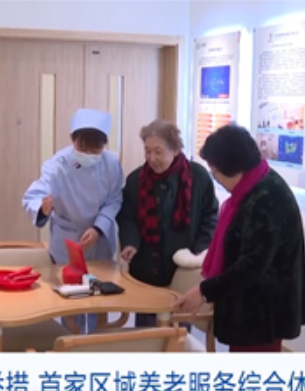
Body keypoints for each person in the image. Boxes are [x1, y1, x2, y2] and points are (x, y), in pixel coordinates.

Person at [174, 124, 305, 352]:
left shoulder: (267, 198)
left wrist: (205, 291)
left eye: (215, 171)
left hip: (264, 312)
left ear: (233, 167)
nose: (215, 178)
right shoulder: (254, 187)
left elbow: (251, 265)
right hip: (251, 309)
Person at [22, 108, 124, 334]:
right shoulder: (58, 164)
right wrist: (42, 207)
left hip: (99, 240)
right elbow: (36, 193)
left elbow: (114, 199)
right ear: (72, 140)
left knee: (99, 299)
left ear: (104, 145)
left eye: (95, 149)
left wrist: (98, 228)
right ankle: (70, 344)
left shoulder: (111, 163)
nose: (88, 154)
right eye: (82, 148)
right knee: (71, 302)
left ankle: (96, 344)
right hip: (68, 241)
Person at [117, 119, 218, 327]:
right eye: (147, 151)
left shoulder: (198, 177)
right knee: (146, 331)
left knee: (178, 329)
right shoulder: (136, 179)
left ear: (175, 149)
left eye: (158, 152)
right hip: (145, 266)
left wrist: (200, 249)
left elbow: (210, 215)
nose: (152, 158)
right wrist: (130, 242)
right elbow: (127, 217)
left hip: (181, 265)